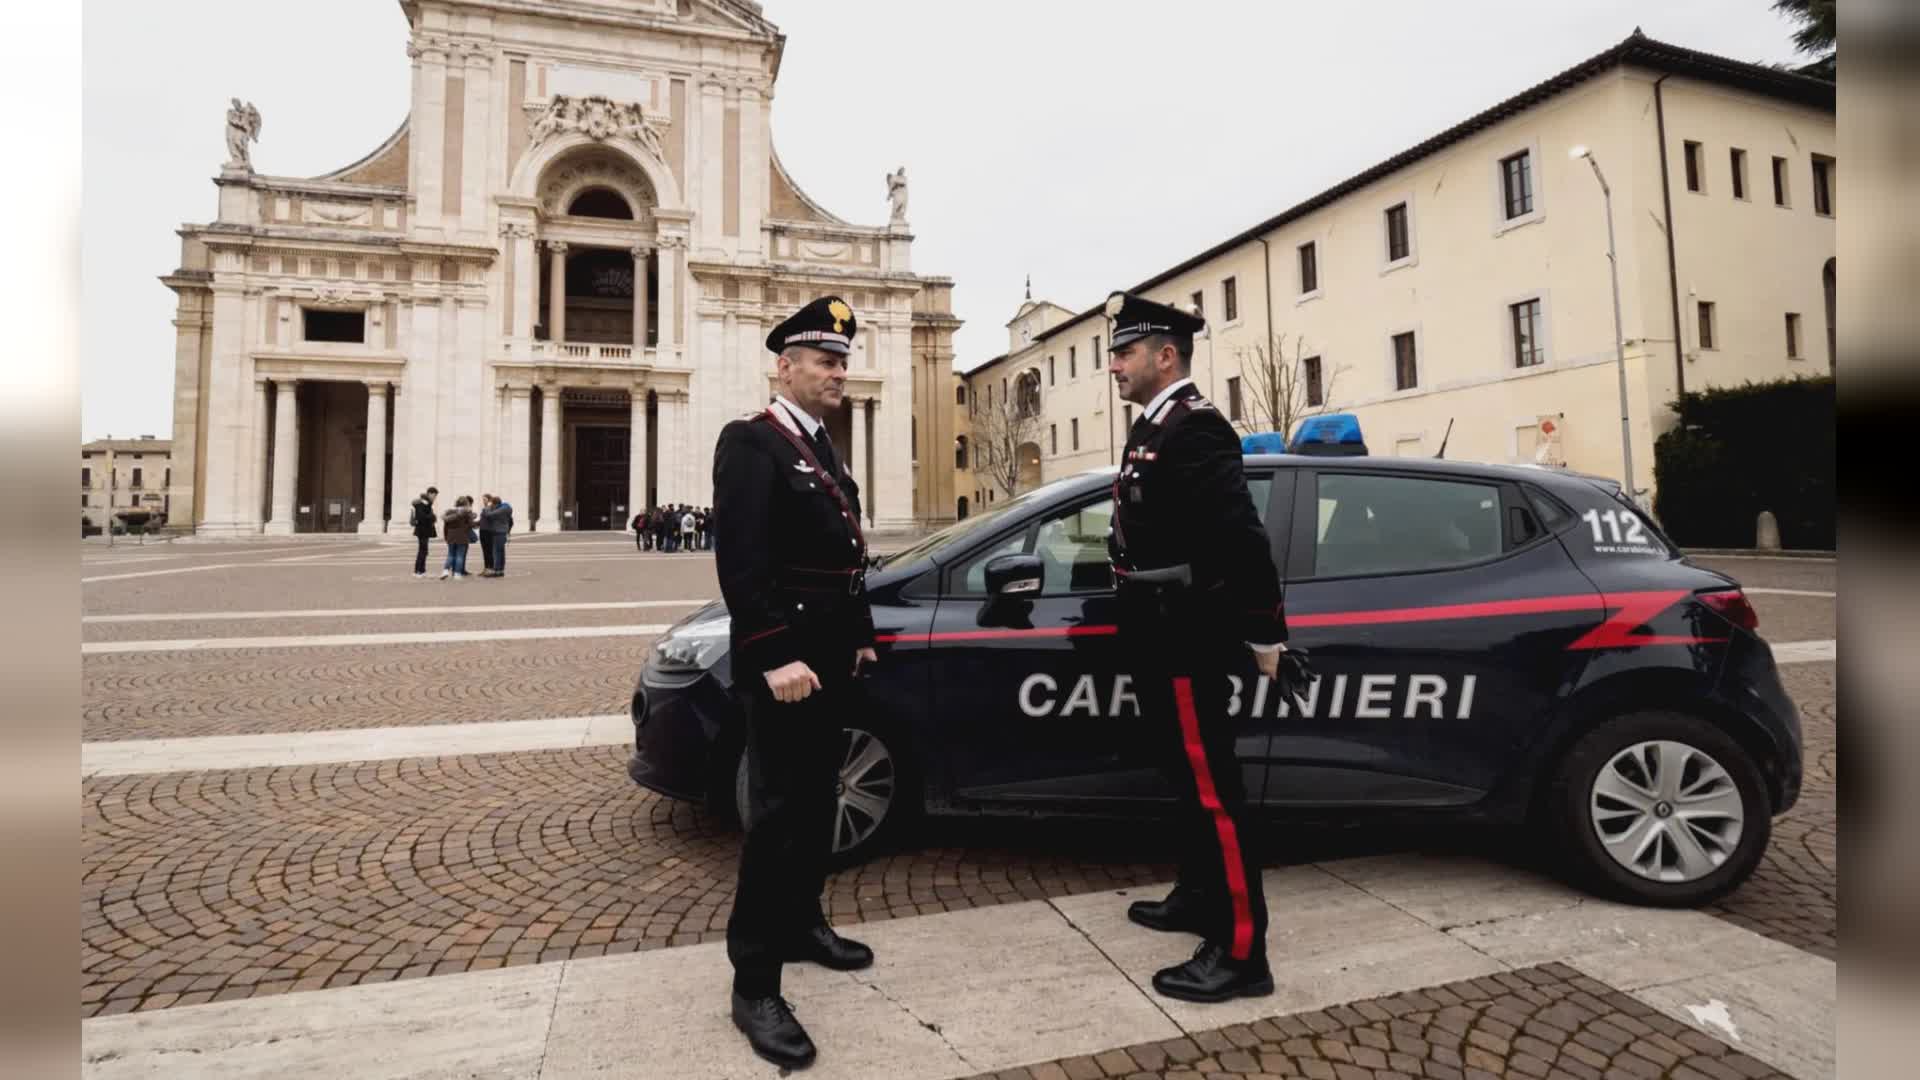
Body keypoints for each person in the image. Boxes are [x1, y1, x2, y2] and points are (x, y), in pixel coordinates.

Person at [1102, 290, 1314, 1004]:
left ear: (1166, 357)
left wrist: (1264, 632)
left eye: (1125, 352)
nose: (1113, 365)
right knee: (1186, 782)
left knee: (1216, 795)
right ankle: (1198, 896)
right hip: (1159, 636)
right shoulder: (1153, 426)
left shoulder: (1196, 429)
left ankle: (1241, 952)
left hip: (1188, 635)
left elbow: (1240, 538)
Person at [714, 296, 878, 1070]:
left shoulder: (821, 443)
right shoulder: (752, 442)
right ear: (785, 366)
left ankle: (804, 924)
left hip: (831, 659)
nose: (839, 372)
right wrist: (776, 652)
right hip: (787, 668)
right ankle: (754, 984)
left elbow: (848, 552)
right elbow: (743, 564)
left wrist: (864, 637)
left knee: (819, 802)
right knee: (776, 816)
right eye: (825, 360)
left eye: (843, 361)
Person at [440, 495, 477, 580]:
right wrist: (478, 523)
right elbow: (471, 525)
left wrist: (446, 536)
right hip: (462, 537)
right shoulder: (466, 513)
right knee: (460, 555)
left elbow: (446, 526)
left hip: (451, 536)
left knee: (450, 555)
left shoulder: (449, 512)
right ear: (466, 503)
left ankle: (445, 571)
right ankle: (457, 573)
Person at [481, 495, 514, 577]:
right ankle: (500, 570)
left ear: (496, 504)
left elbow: (489, 515)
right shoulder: (505, 508)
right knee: (501, 552)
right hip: (502, 532)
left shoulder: (502, 510)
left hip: (498, 532)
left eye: (492, 504)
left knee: (496, 552)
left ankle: (496, 570)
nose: (492, 505)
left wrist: (486, 506)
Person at [409, 487, 439, 578]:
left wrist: (431, 516)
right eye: (434, 495)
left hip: (425, 530)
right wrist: (432, 517)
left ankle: (422, 570)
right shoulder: (421, 503)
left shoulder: (427, 503)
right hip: (422, 530)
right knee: (422, 550)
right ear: (429, 494)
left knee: (424, 551)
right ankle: (418, 571)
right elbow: (421, 517)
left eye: (435, 496)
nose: (435, 498)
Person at [477, 494, 500, 576]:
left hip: (488, 532)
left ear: (489, 500)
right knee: (485, 551)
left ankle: (491, 569)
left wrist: (487, 507)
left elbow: (489, 517)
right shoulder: (486, 509)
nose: (483, 501)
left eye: (485, 499)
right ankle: (486, 568)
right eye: (483, 499)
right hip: (483, 531)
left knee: (489, 551)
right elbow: (482, 519)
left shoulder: (491, 508)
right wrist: (475, 524)